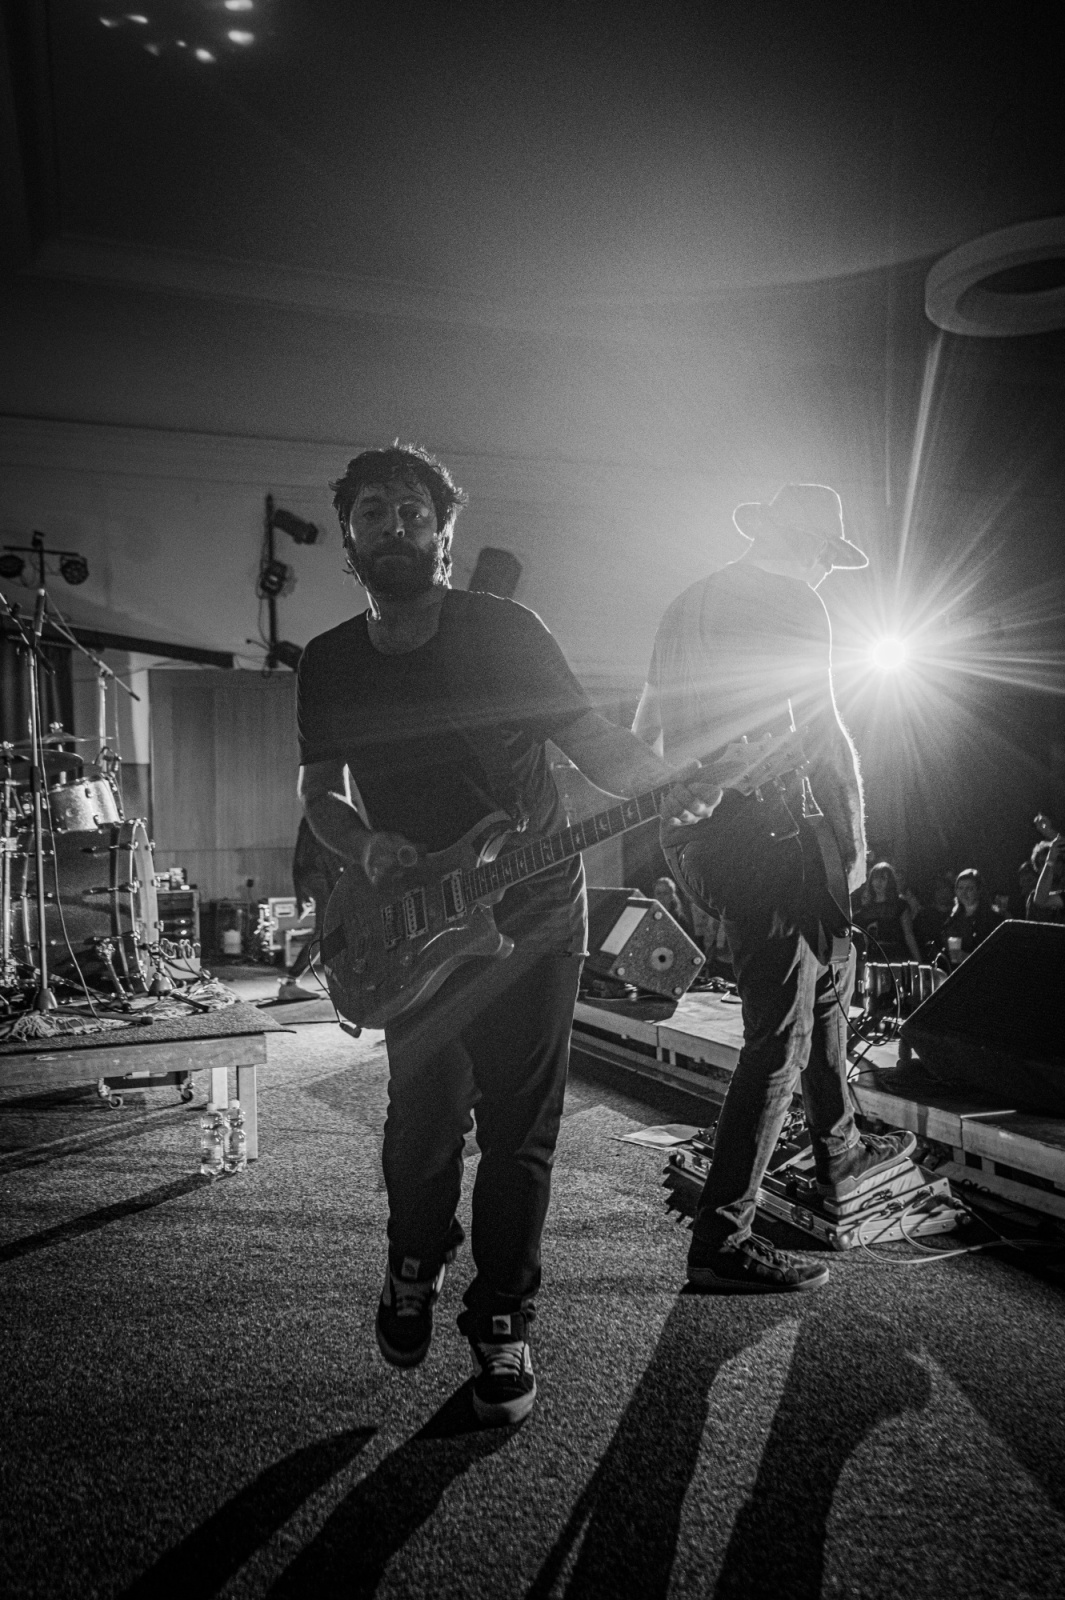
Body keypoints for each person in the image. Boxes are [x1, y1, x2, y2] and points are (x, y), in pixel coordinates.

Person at [295, 444, 719, 1425]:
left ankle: (501, 1317)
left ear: (444, 534)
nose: (394, 527)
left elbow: (593, 742)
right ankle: (415, 1257)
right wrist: (363, 845)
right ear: (349, 539)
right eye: (372, 513)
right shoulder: (329, 660)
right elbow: (319, 792)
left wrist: (670, 782)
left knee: (519, 1130)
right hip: (414, 924)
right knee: (422, 1119)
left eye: (412, 511)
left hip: (530, 911)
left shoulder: (504, 632)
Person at [634, 482, 915, 1294]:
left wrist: (681, 815)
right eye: (826, 555)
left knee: (824, 985)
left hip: (694, 834)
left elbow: (648, 730)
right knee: (778, 1035)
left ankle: (840, 1148)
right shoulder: (795, 599)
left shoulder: (687, 602)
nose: (826, 571)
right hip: (766, 836)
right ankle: (723, 1237)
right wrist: (854, 849)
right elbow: (821, 731)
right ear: (812, 548)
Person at [277, 816, 345, 1001]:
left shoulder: (312, 814)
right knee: (326, 931)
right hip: (321, 876)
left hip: (314, 875)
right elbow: (329, 852)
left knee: (331, 931)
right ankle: (290, 983)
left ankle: (293, 982)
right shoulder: (328, 812)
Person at [851, 861, 921, 962]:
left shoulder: (900, 905)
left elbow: (909, 935)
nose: (878, 882)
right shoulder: (865, 910)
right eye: (875, 878)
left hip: (897, 956)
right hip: (873, 957)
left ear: (890, 882)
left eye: (883, 878)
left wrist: (918, 961)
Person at [942, 868, 1000, 960]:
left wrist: (967, 957)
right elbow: (951, 952)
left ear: (979, 890)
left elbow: (997, 953)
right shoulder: (953, 917)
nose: (963, 893)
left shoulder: (993, 917)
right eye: (960, 888)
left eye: (969, 888)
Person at [1027, 834, 1065, 923]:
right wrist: (1050, 860)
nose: (1051, 866)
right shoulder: (1034, 896)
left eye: (1056, 860)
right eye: (1042, 864)